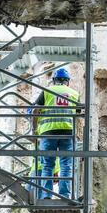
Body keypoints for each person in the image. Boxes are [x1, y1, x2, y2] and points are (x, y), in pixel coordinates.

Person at [32, 68, 79, 201]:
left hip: (48, 132)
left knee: (47, 165)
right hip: (67, 133)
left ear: (54, 80)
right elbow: (79, 113)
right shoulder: (74, 93)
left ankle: (46, 195)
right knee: (66, 165)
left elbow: (35, 110)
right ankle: (64, 196)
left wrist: (34, 130)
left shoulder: (47, 91)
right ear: (67, 82)